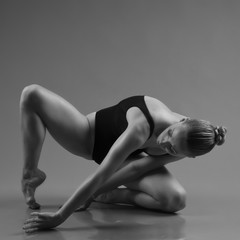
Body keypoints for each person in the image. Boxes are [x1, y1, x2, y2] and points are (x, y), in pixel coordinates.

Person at [21, 84, 226, 233]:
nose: (165, 143)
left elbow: (137, 168)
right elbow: (102, 174)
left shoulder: (184, 144)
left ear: (190, 156)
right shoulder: (143, 126)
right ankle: (30, 173)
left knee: (176, 200)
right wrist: (60, 216)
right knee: (31, 94)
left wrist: (93, 195)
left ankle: (108, 196)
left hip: (128, 159)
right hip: (89, 138)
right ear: (183, 120)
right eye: (170, 134)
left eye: (172, 149)